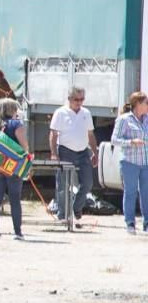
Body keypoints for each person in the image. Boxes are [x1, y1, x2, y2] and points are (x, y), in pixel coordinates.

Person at [49, 86, 97, 226]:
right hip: (65, 150)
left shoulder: (86, 113)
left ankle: (76, 208)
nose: (79, 102)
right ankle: (63, 215)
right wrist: (53, 153)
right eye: (76, 99)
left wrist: (95, 152)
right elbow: (53, 134)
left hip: (83, 151)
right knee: (63, 184)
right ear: (69, 99)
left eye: (82, 99)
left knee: (87, 183)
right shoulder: (60, 113)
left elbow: (90, 134)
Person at [0, 98, 30, 240]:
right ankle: (17, 232)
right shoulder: (16, 124)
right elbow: (24, 146)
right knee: (15, 198)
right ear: (11, 110)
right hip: (13, 167)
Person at [110, 91, 148, 235]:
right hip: (130, 162)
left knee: (146, 193)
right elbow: (114, 140)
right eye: (146, 103)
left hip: (146, 162)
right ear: (138, 104)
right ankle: (130, 223)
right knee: (131, 192)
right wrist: (131, 142)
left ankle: (147, 223)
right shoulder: (124, 120)